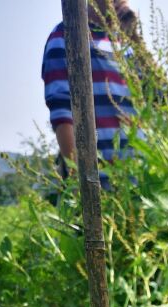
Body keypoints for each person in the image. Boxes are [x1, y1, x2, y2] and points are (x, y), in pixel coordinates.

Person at [42, 1, 142, 187]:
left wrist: (136, 38)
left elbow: (163, 100)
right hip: (101, 186)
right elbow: (63, 114)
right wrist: (80, 185)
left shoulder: (129, 45)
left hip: (145, 183)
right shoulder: (67, 35)